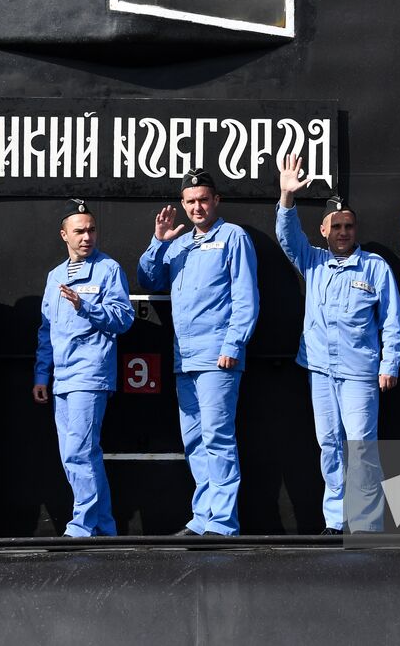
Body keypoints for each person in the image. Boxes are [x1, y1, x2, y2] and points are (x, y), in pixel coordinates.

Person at [276, 155, 400, 534]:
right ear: (323, 230)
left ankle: (365, 522)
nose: (343, 232)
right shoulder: (312, 261)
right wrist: (287, 197)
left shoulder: (374, 267)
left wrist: (390, 364)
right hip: (320, 370)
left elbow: (393, 321)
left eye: (349, 226)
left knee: (361, 447)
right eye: (336, 226)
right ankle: (336, 520)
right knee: (330, 446)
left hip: (359, 374)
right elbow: (287, 236)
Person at [137, 168, 258, 537]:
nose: (197, 207)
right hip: (184, 358)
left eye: (203, 199)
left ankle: (223, 522)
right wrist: (158, 242)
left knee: (217, 437)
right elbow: (148, 280)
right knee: (195, 441)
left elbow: (246, 298)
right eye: (190, 201)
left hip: (218, 357)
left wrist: (233, 345)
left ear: (216, 200)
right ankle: (203, 518)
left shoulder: (234, 237)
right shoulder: (178, 244)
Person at [33, 199, 135, 537]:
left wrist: (86, 306)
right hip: (61, 377)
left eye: (91, 229)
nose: (87, 236)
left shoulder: (108, 270)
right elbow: (46, 330)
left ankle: (83, 525)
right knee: (75, 455)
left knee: (79, 452)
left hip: (90, 374)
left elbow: (124, 319)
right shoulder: (55, 277)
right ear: (64, 234)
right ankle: (104, 526)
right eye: (79, 231)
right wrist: (40, 375)